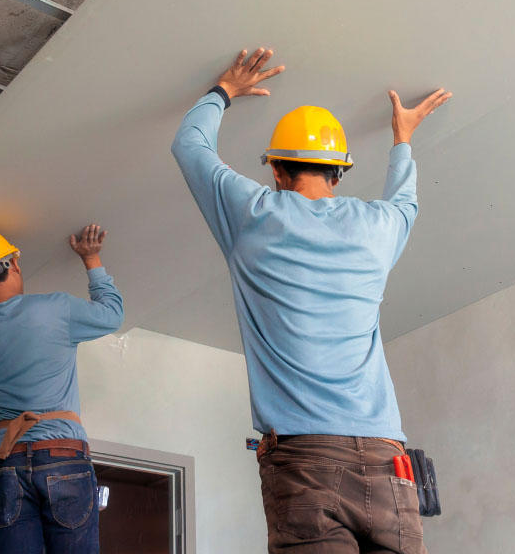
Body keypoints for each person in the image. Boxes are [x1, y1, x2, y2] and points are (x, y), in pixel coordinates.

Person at [171, 47, 451, 554]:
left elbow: (190, 146)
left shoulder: (252, 215)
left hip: (306, 462)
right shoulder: (378, 228)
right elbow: (406, 201)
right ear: (338, 172)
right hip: (389, 461)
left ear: (276, 171)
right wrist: (402, 139)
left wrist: (224, 91)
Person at [0, 224, 123, 554]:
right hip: (62, 457)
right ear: (13, 264)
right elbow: (112, 314)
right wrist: (91, 258)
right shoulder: (53, 309)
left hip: (6, 463)